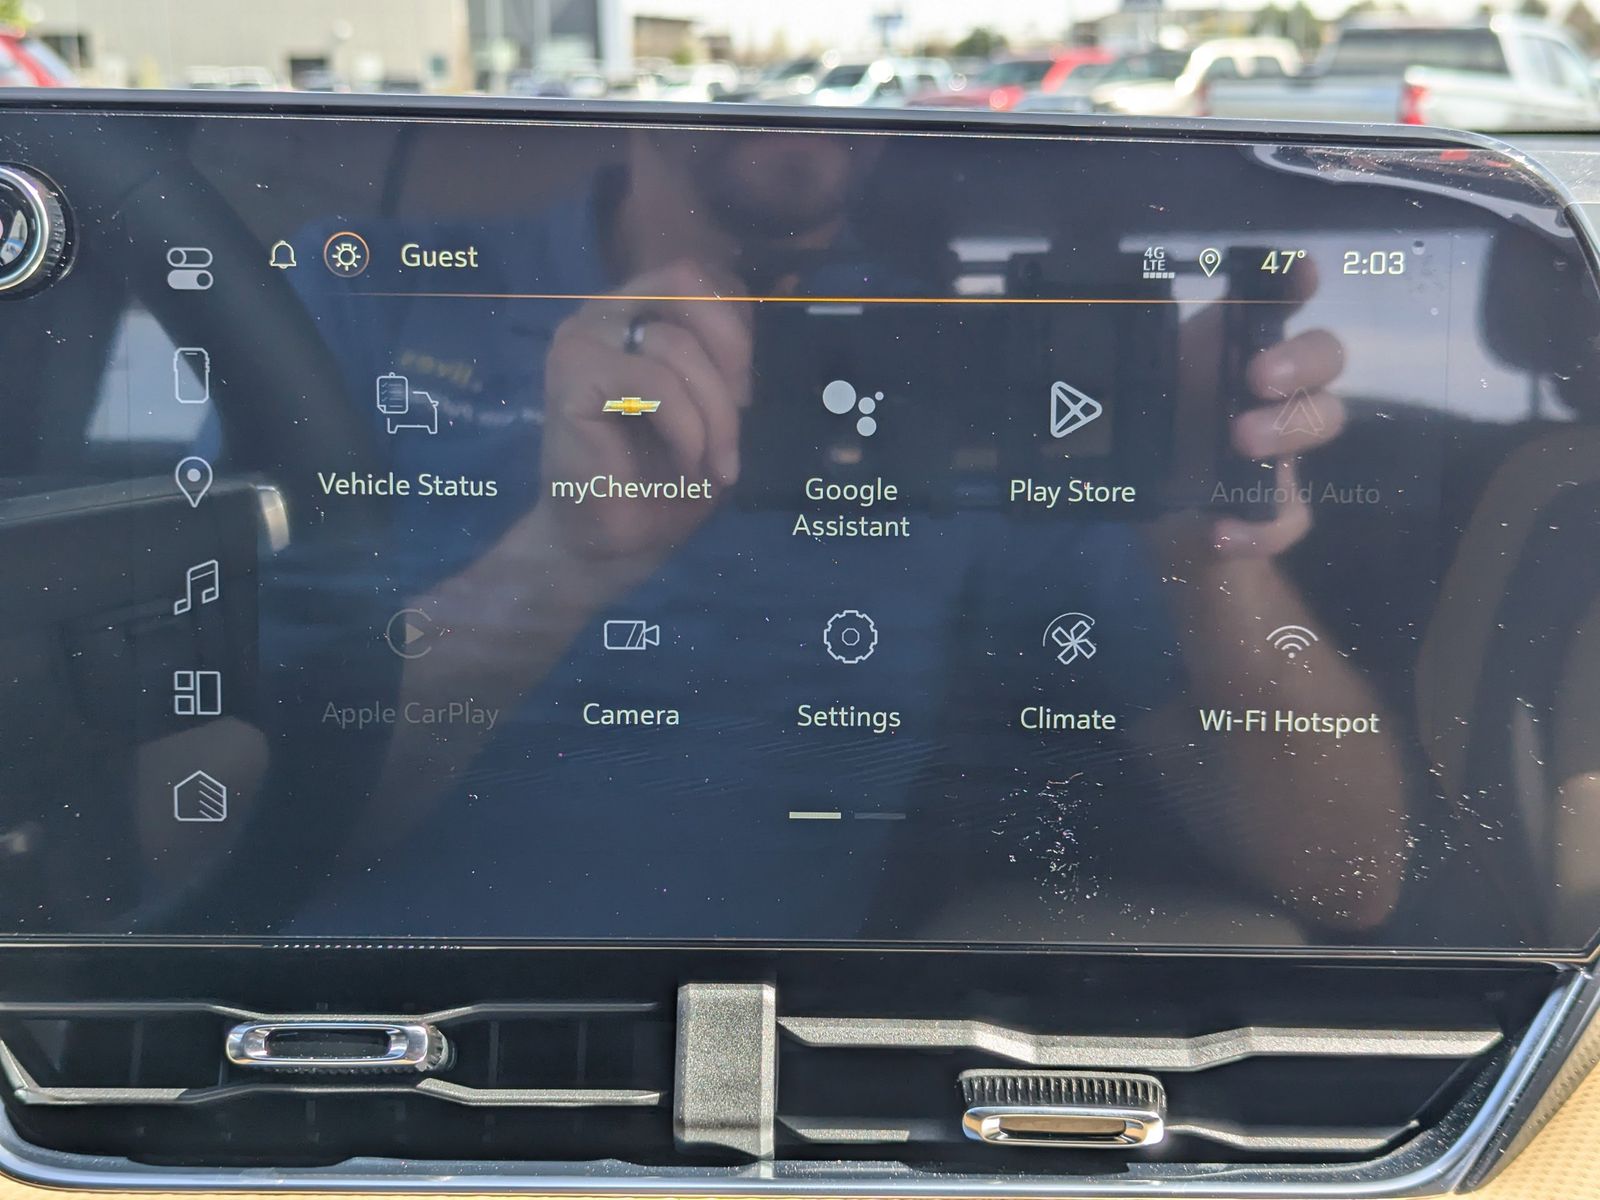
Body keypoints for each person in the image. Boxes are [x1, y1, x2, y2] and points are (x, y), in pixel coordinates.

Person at [268, 124, 1406, 943]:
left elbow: (1346, 874)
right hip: (325, 1047)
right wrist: (554, 570)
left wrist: (1204, 539)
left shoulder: (973, 371)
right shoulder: (370, 295)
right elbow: (194, 824)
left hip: (772, 1085)